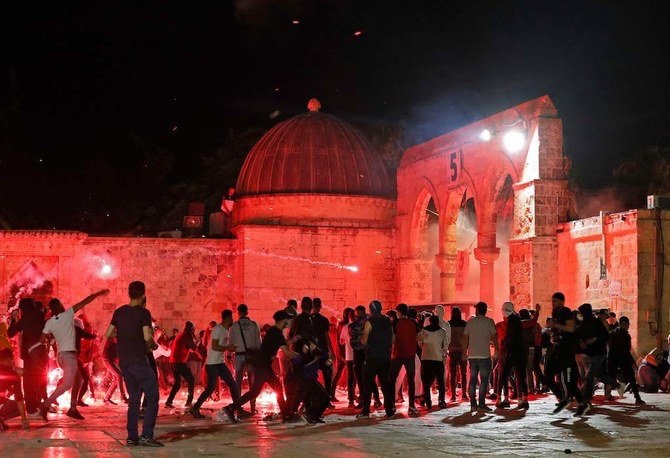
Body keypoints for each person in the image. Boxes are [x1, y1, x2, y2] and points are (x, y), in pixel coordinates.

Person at [105, 281, 163, 447]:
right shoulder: (144, 313)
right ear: (143, 295)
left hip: (125, 362)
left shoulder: (119, 312)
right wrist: (153, 344)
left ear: (129, 294)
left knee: (134, 399)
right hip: (139, 360)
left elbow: (108, 333)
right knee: (153, 396)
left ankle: (132, 437)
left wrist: (123, 335)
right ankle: (146, 436)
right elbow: (146, 337)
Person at [39, 290, 109, 421]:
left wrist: (53, 337)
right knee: (68, 384)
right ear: (60, 306)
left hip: (61, 356)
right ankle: (46, 404)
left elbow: (42, 340)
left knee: (79, 379)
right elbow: (85, 301)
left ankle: (73, 408)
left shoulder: (50, 322)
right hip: (69, 356)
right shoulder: (67, 315)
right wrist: (98, 293)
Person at [222, 310, 299, 423]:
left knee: (255, 392)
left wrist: (292, 341)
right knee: (277, 388)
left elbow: (282, 343)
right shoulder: (276, 333)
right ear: (282, 320)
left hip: (260, 364)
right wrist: (301, 356)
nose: (289, 321)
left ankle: (230, 408)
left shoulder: (274, 331)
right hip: (263, 366)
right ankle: (286, 415)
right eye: (287, 319)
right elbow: (286, 351)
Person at [190, 310, 245, 419]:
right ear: (228, 318)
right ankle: (195, 408)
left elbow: (222, 346)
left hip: (220, 363)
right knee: (210, 388)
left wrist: (231, 348)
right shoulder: (217, 329)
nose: (232, 321)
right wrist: (228, 347)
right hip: (213, 363)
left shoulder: (225, 330)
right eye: (231, 318)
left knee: (233, 385)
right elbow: (214, 346)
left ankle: (238, 409)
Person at [543, 292, 589, 416]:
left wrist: (556, 325)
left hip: (567, 351)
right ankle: (562, 398)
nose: (553, 303)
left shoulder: (566, 311)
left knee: (570, 382)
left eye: (555, 301)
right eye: (552, 301)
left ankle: (581, 403)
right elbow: (557, 331)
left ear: (562, 301)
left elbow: (571, 328)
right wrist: (553, 337)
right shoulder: (555, 313)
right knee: (547, 376)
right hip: (557, 349)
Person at [575, 303, 623, 403]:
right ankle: (617, 385)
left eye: (581, 313)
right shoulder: (583, 324)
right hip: (589, 353)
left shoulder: (596, 323)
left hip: (599, 352)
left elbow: (606, 337)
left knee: (590, 375)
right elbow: (580, 337)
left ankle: (585, 397)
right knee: (598, 375)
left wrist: (595, 340)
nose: (580, 315)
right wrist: (583, 342)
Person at [8, 298, 47, 414]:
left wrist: (13, 319)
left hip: (30, 355)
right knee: (40, 379)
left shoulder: (26, 319)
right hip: (41, 352)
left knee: (29, 382)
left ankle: (31, 408)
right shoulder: (40, 315)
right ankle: (40, 404)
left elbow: (10, 333)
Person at [357, 300, 395, 419]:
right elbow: (392, 339)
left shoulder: (369, 322)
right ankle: (389, 410)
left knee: (367, 385)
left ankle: (365, 411)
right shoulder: (387, 321)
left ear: (371, 310)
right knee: (385, 385)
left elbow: (364, 340)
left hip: (372, 357)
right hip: (385, 357)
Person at [463, 301, 498, 413]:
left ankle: (473, 405)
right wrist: (497, 350)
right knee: (484, 381)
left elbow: (465, 338)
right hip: (484, 355)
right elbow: (495, 337)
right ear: (485, 310)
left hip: (472, 356)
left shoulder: (470, 322)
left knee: (473, 380)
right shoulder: (489, 322)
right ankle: (481, 404)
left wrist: (464, 352)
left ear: (477, 310)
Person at [495, 304, 529, 409]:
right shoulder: (518, 320)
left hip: (510, 352)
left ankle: (501, 399)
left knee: (503, 375)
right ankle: (523, 399)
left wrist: (503, 343)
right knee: (520, 376)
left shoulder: (509, 322)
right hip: (520, 352)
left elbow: (510, 336)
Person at [229, 304, 261, 413]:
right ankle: (253, 406)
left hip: (239, 356)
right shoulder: (254, 325)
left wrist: (229, 355)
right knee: (252, 382)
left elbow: (231, 343)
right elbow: (258, 342)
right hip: (251, 356)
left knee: (237, 382)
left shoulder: (234, 326)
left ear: (238, 312)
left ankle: (238, 406)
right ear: (247, 312)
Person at [389, 303, 420, 415]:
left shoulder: (395, 323)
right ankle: (411, 406)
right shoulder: (413, 322)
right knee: (411, 381)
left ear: (399, 312)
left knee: (392, 379)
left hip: (398, 354)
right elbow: (419, 337)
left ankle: (391, 405)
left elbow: (393, 339)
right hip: (410, 354)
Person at [605, 316, 644, 404]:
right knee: (631, 378)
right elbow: (626, 351)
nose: (627, 327)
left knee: (610, 378)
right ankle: (637, 398)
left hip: (611, 358)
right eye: (626, 325)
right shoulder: (626, 335)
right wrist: (632, 363)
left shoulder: (612, 333)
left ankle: (608, 395)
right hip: (622, 359)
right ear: (623, 324)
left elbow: (607, 344)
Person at [419, 314, 449, 409]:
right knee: (440, 381)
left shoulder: (424, 330)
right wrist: (443, 353)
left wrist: (425, 348)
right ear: (438, 322)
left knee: (426, 382)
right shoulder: (442, 332)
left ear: (430, 321)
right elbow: (445, 346)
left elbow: (420, 342)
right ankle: (441, 401)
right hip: (438, 359)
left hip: (426, 358)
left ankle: (428, 402)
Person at [165, 321, 197, 408]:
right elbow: (194, 348)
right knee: (191, 379)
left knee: (177, 383)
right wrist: (194, 339)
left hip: (173, 361)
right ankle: (189, 402)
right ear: (191, 329)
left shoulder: (180, 334)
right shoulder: (186, 335)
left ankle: (168, 402)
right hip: (179, 362)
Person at [311, 298, 335, 403]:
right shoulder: (324, 320)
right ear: (320, 306)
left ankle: (313, 399)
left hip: (312, 352)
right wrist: (332, 351)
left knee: (312, 376)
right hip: (323, 351)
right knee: (327, 375)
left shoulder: (309, 319)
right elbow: (326, 337)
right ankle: (326, 399)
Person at [0, 348, 30, 431]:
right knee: (17, 406)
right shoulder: (13, 374)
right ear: (10, 359)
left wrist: (11, 390)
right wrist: (24, 420)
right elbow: (19, 398)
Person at [102, 332, 128, 404]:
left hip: (112, 359)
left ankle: (107, 398)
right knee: (119, 376)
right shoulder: (114, 334)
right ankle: (122, 397)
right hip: (107, 359)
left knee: (117, 379)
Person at [447, 307, 467, 402]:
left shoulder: (448, 324)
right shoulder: (464, 324)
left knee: (452, 375)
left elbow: (447, 338)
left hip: (452, 351)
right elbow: (467, 337)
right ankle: (464, 394)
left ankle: (453, 396)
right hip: (462, 350)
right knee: (463, 374)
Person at [338, 307, 356, 407]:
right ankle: (360, 399)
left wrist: (347, 341)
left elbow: (341, 341)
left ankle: (351, 400)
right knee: (358, 378)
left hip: (349, 356)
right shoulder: (360, 326)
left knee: (350, 378)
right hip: (358, 356)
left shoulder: (345, 327)